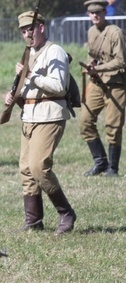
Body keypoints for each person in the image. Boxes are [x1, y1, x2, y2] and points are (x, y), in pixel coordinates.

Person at [4, 11, 77, 235]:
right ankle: (34, 221)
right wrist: (13, 93)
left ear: (41, 28)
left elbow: (58, 86)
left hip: (50, 114)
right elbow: (26, 87)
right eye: (23, 31)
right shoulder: (28, 53)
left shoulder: (55, 51)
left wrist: (30, 75)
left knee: (38, 167)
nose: (27, 34)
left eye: (31, 29)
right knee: (26, 169)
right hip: (29, 115)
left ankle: (66, 213)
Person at [79, 0, 125, 177]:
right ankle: (100, 162)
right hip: (98, 83)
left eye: (98, 12)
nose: (95, 15)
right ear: (89, 15)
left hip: (116, 83)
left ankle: (113, 168)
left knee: (113, 126)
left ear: (105, 12)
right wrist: (91, 65)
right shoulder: (91, 32)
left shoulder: (115, 33)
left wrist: (98, 68)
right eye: (92, 13)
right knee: (85, 122)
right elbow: (93, 55)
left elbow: (121, 61)